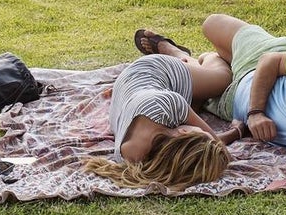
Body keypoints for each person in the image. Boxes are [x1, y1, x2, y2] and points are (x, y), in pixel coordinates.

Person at [138, 14, 286, 180]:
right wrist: (256, 112)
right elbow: (270, 61)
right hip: (260, 57)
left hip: (234, 96)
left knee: (188, 79)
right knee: (211, 24)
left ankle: (181, 55)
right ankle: (218, 62)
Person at [83, 50, 240, 190]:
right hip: (137, 89)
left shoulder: (169, 103)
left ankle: (178, 54)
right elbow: (215, 143)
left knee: (220, 81)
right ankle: (201, 58)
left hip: (150, 71)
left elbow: (217, 144)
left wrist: (235, 131)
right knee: (224, 78)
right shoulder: (134, 157)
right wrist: (236, 132)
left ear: (183, 130)